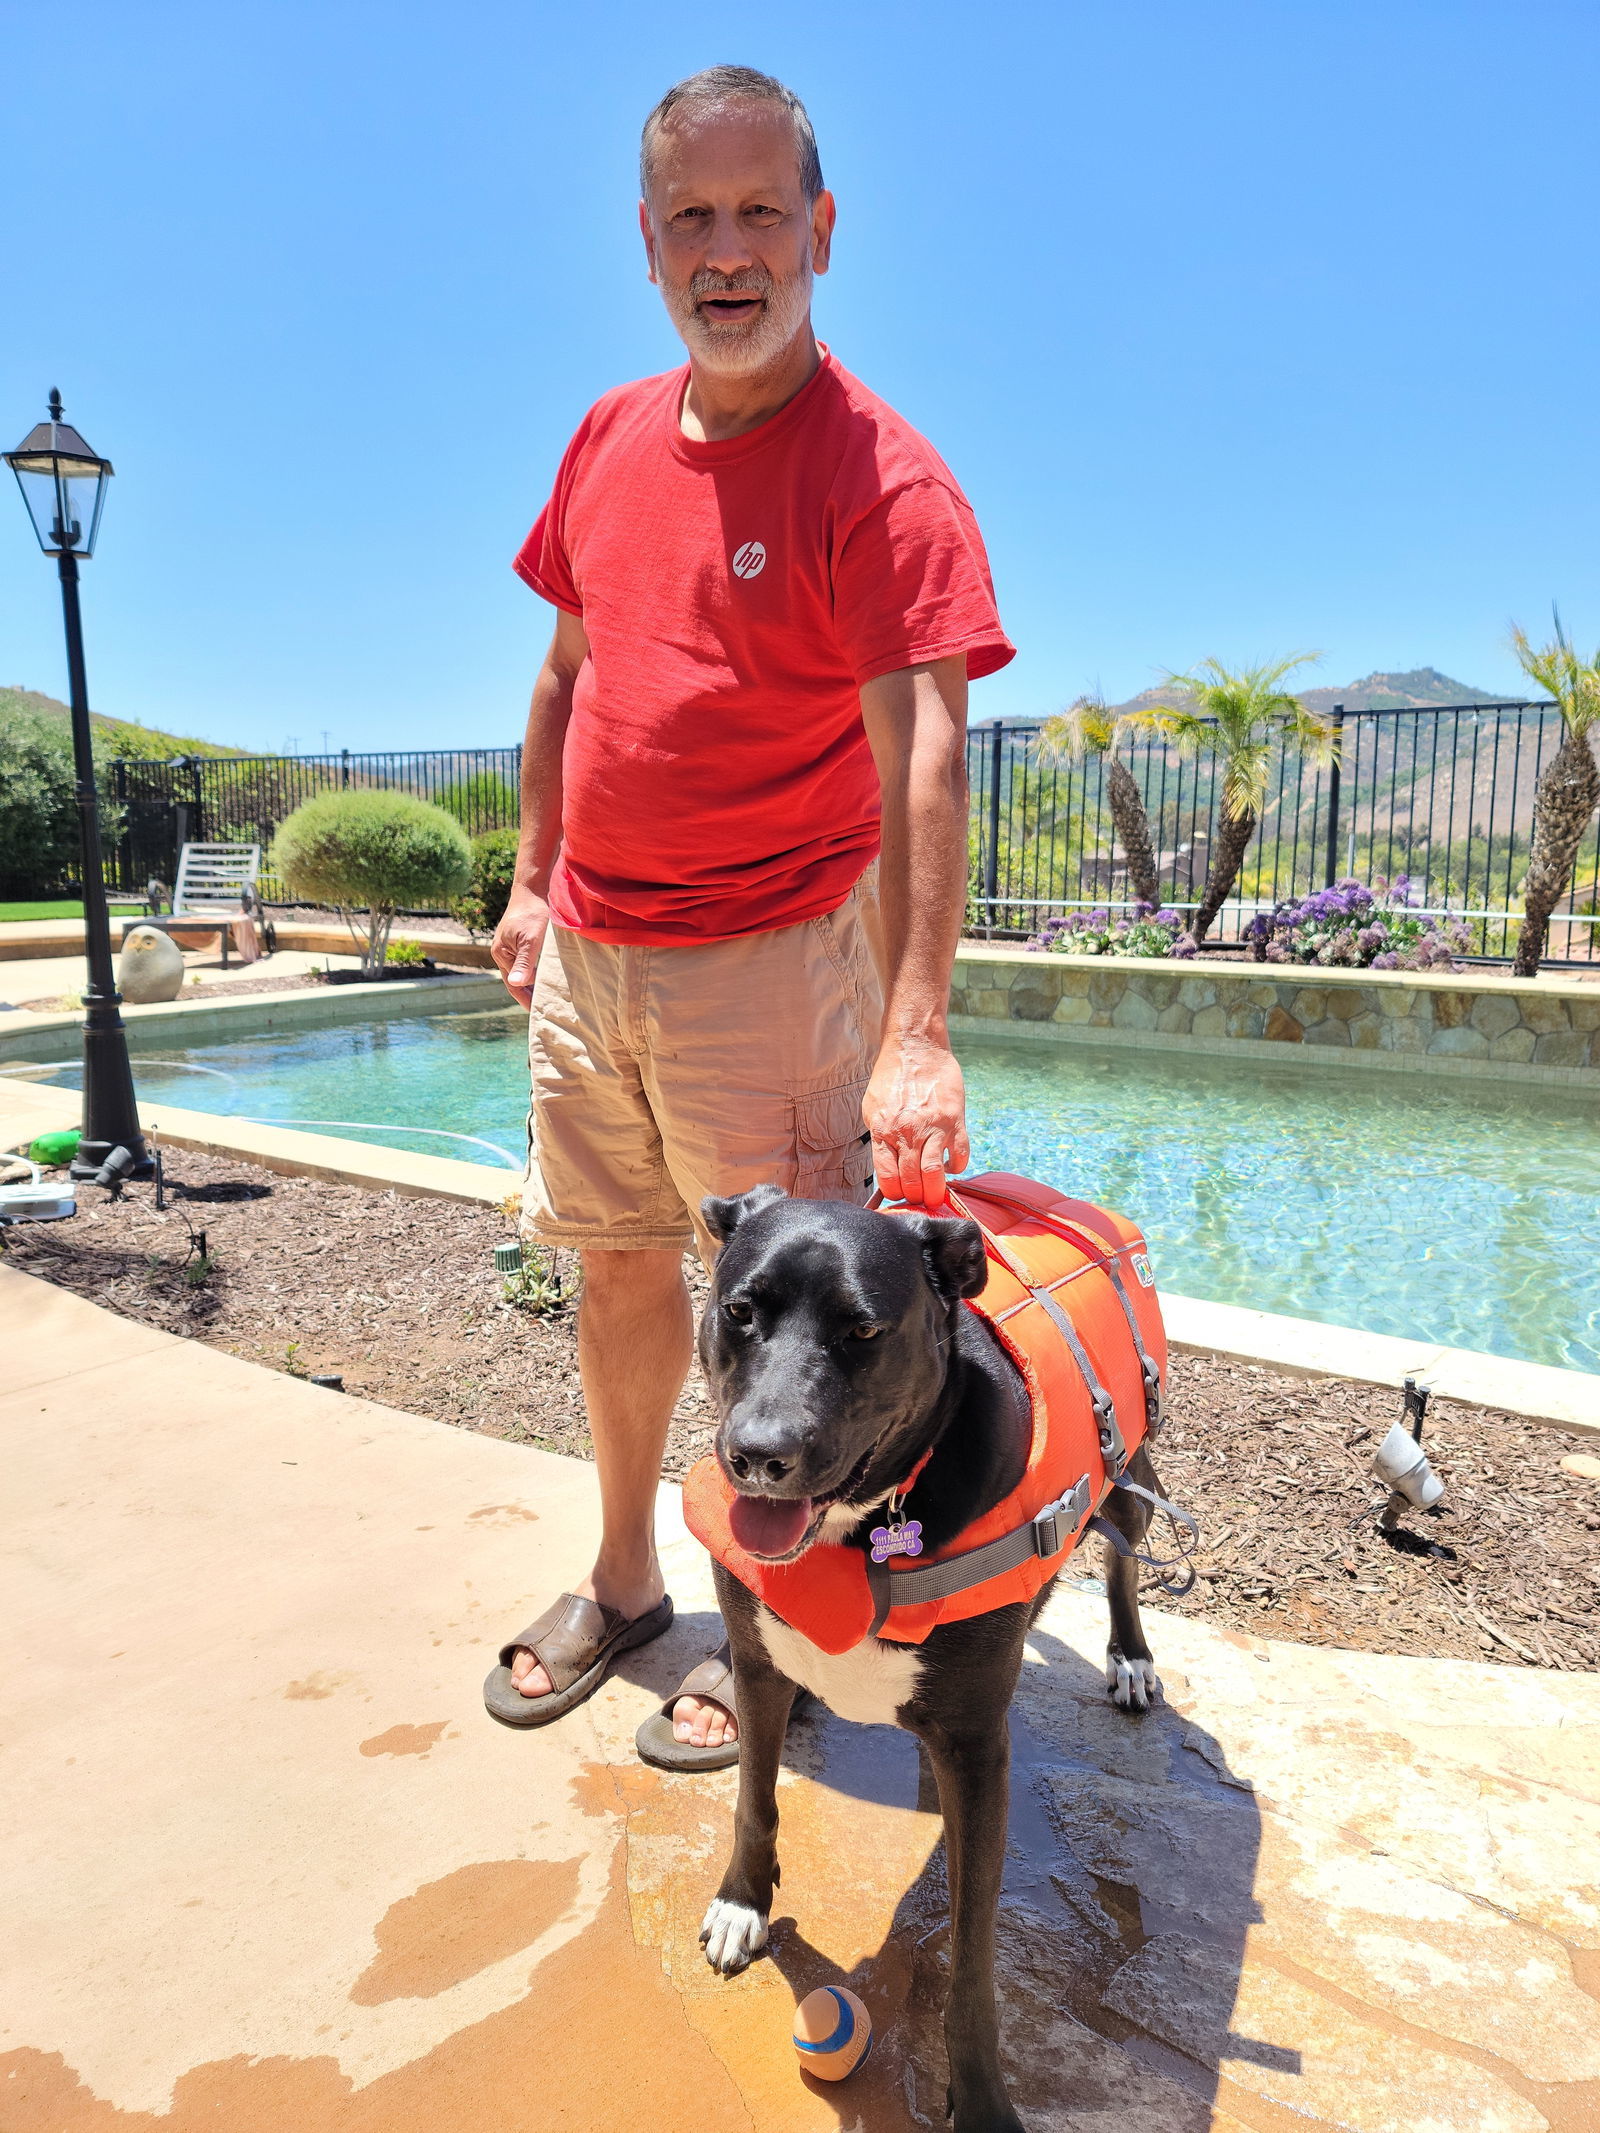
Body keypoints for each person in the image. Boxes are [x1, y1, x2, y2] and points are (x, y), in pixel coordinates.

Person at [483, 64, 1013, 1768]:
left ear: (822, 231)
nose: (729, 252)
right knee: (625, 1275)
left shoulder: (883, 478)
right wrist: (528, 879)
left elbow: (925, 746)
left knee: (792, 1326)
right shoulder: (607, 436)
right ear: (647, 243)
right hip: (597, 955)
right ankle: (633, 1577)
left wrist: (916, 1024)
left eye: (760, 212)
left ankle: (756, 1630)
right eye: (693, 219)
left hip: (772, 959)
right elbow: (565, 676)